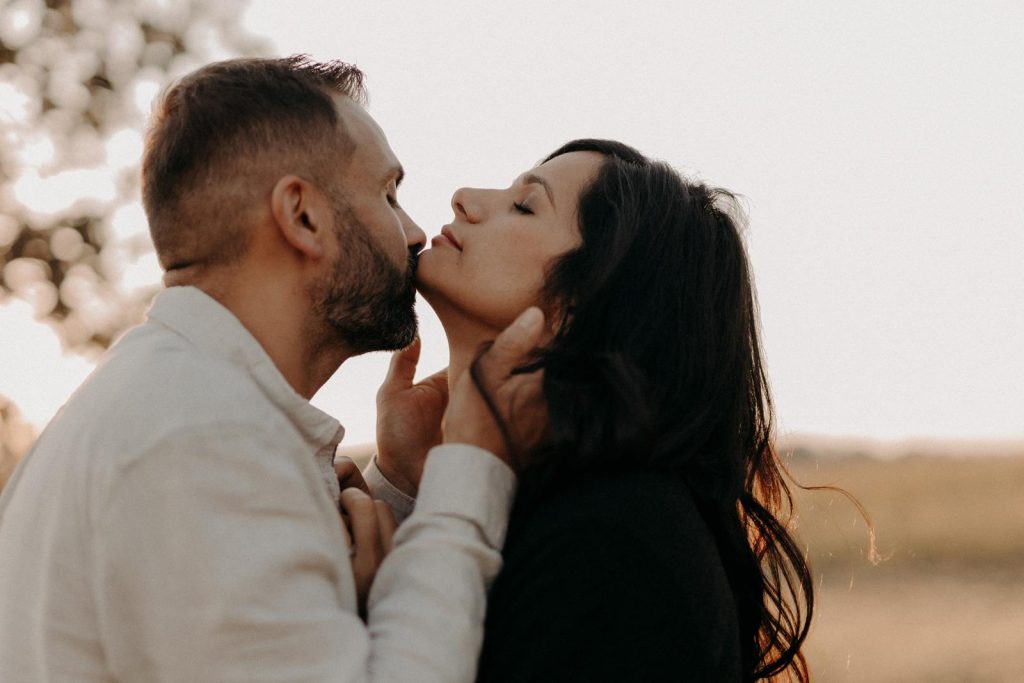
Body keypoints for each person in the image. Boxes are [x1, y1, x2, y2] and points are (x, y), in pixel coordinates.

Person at [0, 56, 542, 682]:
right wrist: (471, 470)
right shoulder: (201, 438)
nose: (416, 231)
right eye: (387, 194)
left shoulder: (175, 402)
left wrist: (393, 485)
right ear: (303, 217)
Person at [413, 139, 814, 682]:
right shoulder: (532, 501)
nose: (465, 199)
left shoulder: (614, 541)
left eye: (525, 205)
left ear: (589, 298)